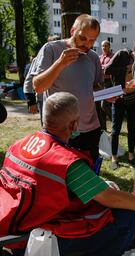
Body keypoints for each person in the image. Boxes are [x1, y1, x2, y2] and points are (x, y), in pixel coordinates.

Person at [0, 92, 135, 256]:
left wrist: (97, 183)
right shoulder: (66, 162)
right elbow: (111, 199)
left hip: (12, 228)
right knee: (127, 218)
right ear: (73, 124)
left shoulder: (20, 144)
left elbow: (46, 185)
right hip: (34, 241)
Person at [32, 14, 104, 162]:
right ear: (72, 31)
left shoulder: (93, 57)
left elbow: (95, 88)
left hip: (90, 128)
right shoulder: (51, 49)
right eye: (83, 38)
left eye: (92, 40)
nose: (87, 45)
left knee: (89, 175)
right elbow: (38, 86)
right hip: (61, 131)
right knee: (62, 177)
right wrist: (60, 63)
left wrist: (107, 95)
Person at [104, 49, 135, 170]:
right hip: (119, 97)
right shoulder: (122, 54)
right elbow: (107, 69)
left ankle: (131, 156)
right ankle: (114, 157)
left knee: (132, 128)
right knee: (115, 129)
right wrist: (126, 68)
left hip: (133, 97)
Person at [24, 36, 60, 126]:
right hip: (44, 100)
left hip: (63, 99)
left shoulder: (66, 58)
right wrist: (31, 102)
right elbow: (29, 81)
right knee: (48, 126)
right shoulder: (39, 59)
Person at [97, 40, 114, 131]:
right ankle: (103, 128)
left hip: (109, 82)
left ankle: (115, 122)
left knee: (105, 105)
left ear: (109, 46)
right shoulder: (100, 57)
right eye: (103, 46)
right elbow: (98, 68)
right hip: (101, 83)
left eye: (106, 46)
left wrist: (101, 67)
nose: (104, 47)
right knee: (100, 107)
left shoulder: (113, 57)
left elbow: (109, 68)